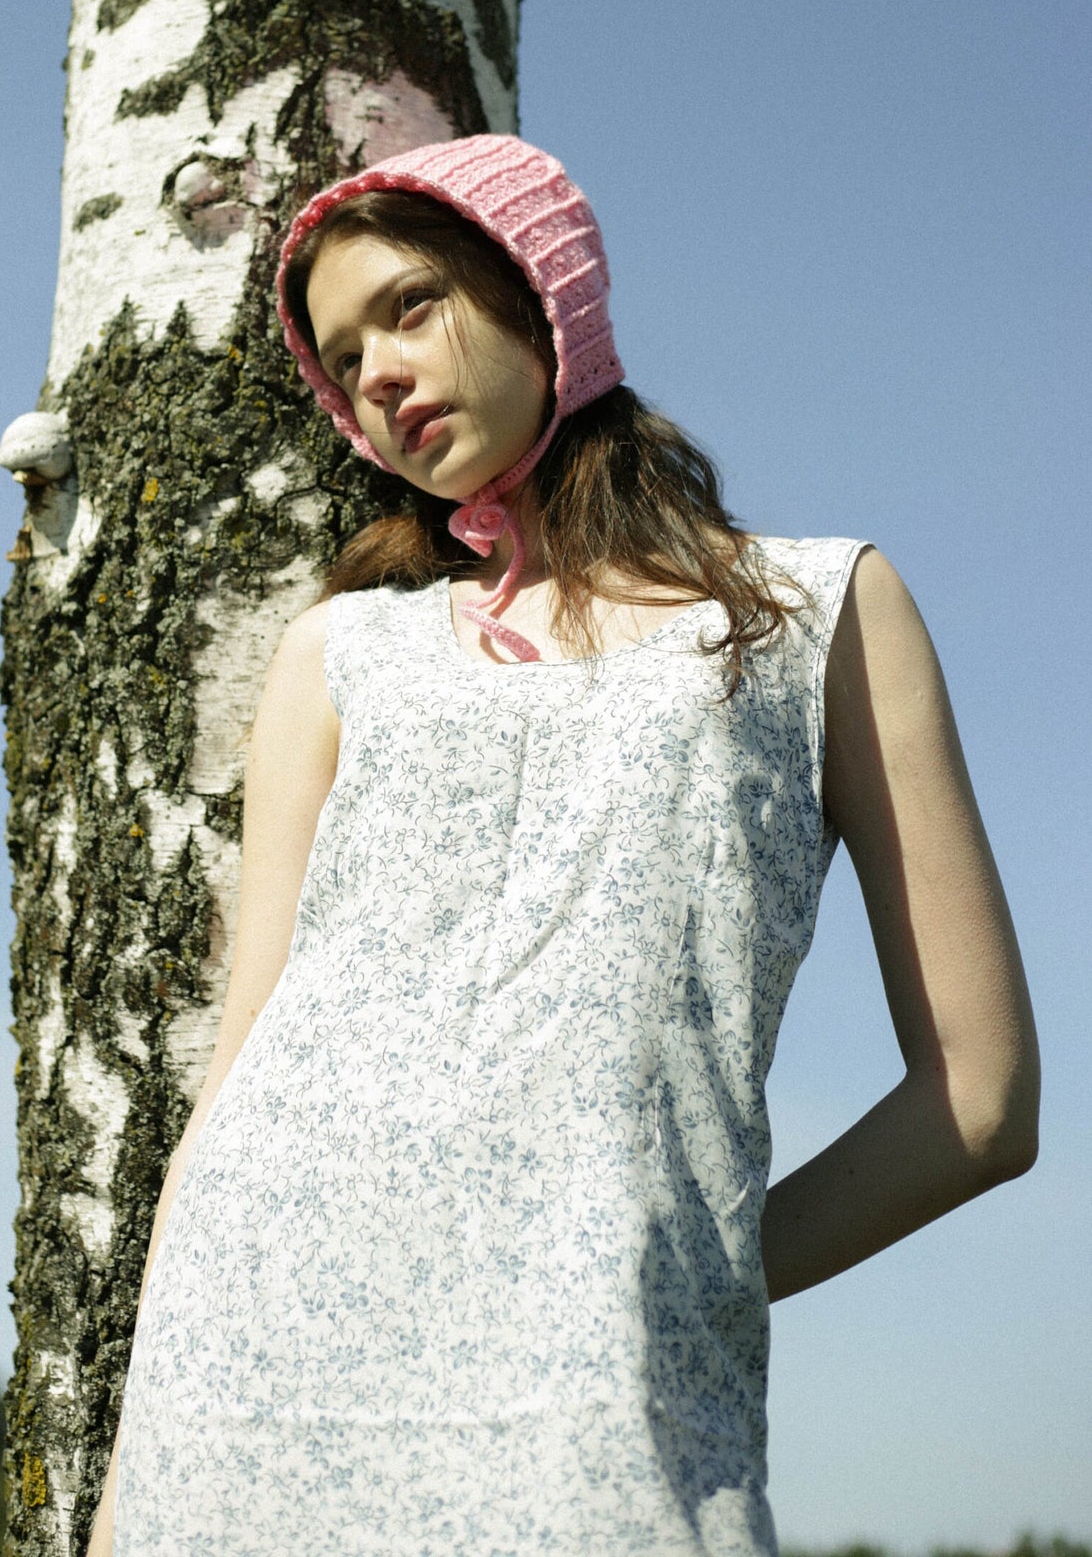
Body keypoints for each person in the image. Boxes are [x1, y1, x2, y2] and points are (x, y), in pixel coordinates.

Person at [90, 133, 1039, 1557]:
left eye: (409, 306)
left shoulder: (818, 611)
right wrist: (124, 1484)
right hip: (246, 1367)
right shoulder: (341, 652)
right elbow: (242, 1061)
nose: (380, 377)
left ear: (543, 296)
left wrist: (679, 1276)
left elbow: (979, 1101)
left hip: (591, 1400)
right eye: (345, 363)